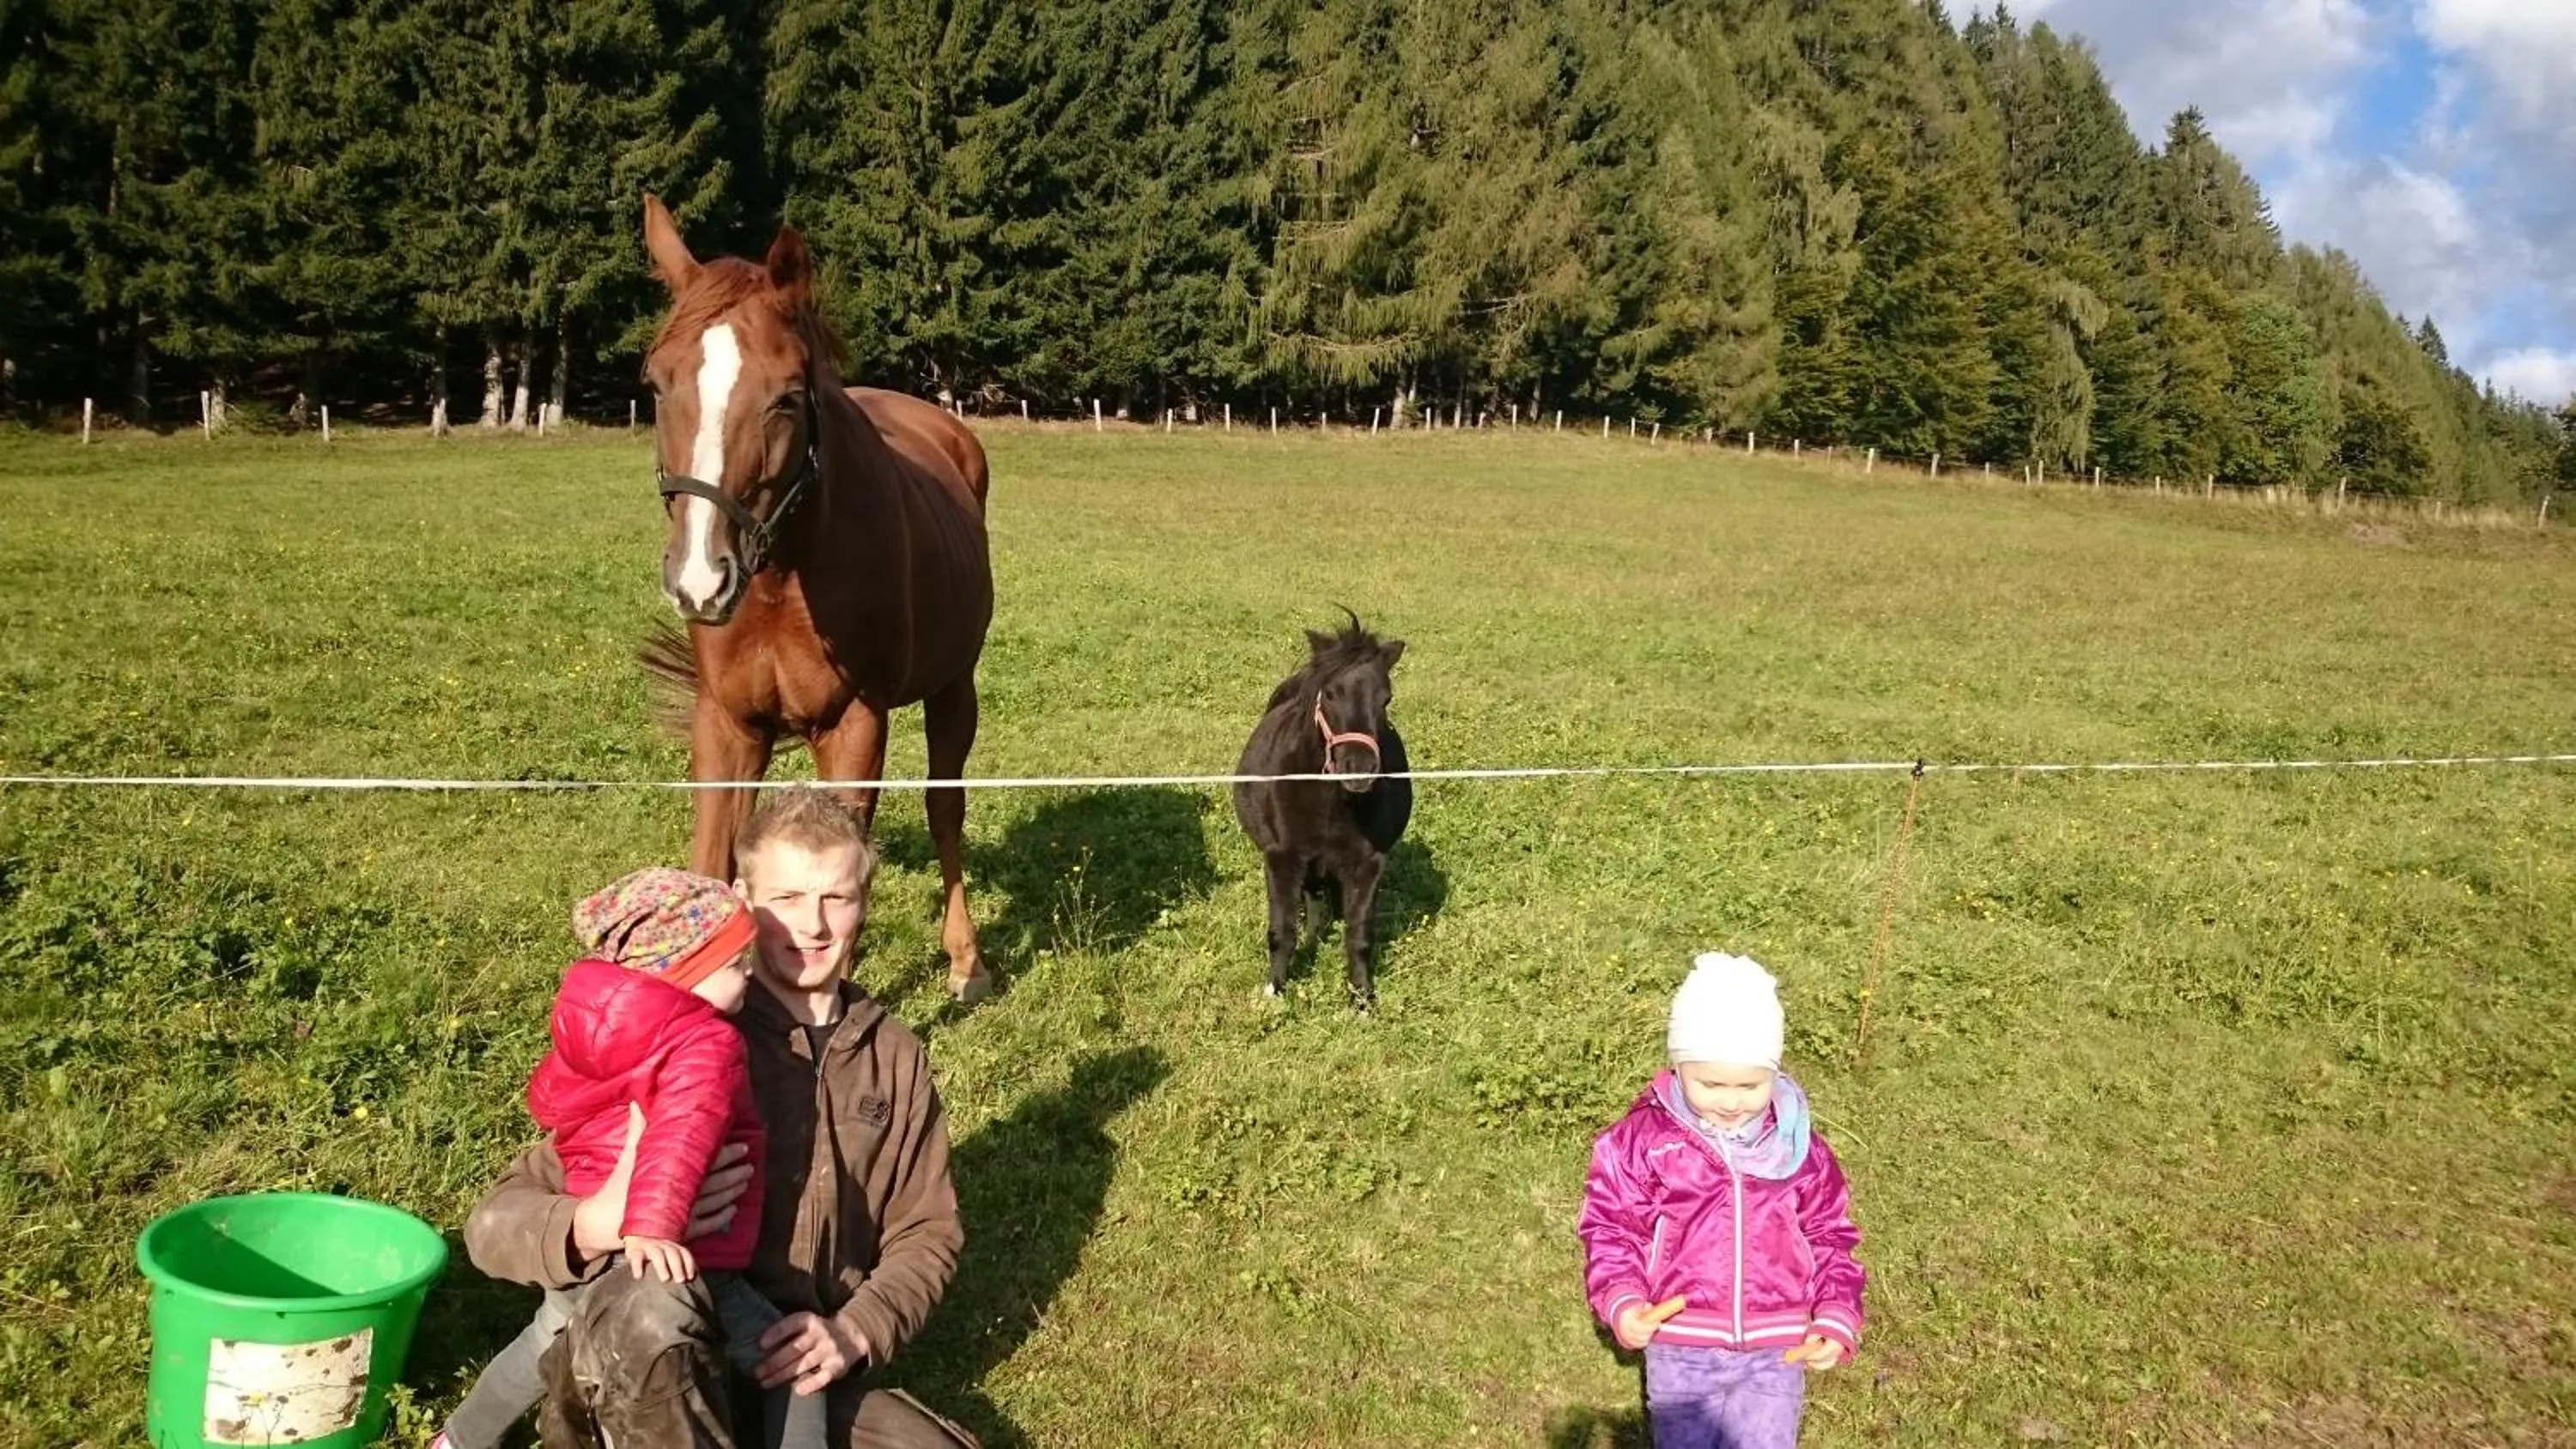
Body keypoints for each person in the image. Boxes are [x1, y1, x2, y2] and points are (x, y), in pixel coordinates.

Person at [456, 793, 972, 1447]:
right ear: (740, 899)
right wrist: (594, 1221)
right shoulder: (676, 1035)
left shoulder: (894, 1057)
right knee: (652, 1308)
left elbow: (928, 1231)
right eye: (785, 899)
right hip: (661, 1364)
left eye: (836, 899)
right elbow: (493, 1221)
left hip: (795, 1366)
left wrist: (855, 1330)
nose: (811, 927)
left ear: (864, 903)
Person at [434, 865, 823, 1449]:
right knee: (792, 1363)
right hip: (678, 1250)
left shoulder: (602, 1028)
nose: (750, 975)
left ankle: (458, 1441)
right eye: (734, 964)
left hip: (591, 1235)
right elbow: (682, 1133)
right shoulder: (706, 1042)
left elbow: (552, 1101)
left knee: (545, 1334)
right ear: (684, 975)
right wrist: (651, 1226)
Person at [1577, 952, 1866, 1449]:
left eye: (1751, 1085)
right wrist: (1622, 1299)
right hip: (1682, 1343)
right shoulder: (1644, 1141)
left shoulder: (1797, 1147)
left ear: (1773, 1074)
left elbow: (1831, 1236)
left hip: (1778, 1350)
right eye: (1711, 1084)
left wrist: (1836, 1315)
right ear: (1678, 1065)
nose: (1731, 1101)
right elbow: (1611, 1227)